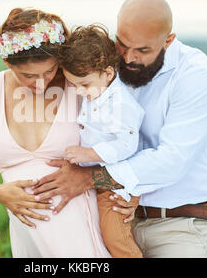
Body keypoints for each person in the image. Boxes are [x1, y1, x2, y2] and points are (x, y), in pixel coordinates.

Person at [32, 0, 207, 258]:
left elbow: (172, 160)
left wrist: (89, 178)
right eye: (122, 44)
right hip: (119, 215)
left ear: (168, 41)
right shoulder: (108, 67)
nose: (128, 58)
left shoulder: (195, 75)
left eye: (143, 50)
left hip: (182, 223)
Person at [0, 8, 111, 258]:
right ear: (7, 62)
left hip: (80, 229)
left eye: (49, 71)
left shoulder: (77, 87)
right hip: (27, 236)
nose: (41, 83)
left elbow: (128, 155)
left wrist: (91, 177)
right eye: (28, 76)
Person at [57, 24, 144, 258]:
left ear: (107, 73)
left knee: (116, 238)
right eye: (74, 85)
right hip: (94, 178)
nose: (78, 91)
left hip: (114, 183)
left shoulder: (121, 104)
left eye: (83, 84)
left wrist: (90, 154)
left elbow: (127, 144)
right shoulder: (97, 90)